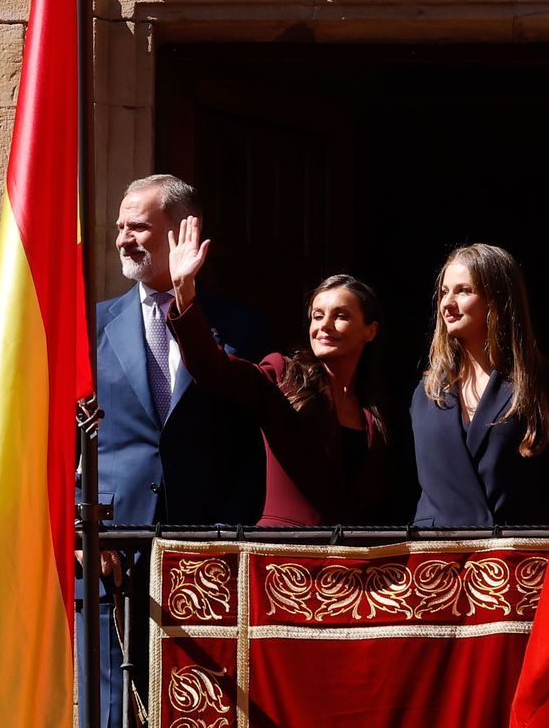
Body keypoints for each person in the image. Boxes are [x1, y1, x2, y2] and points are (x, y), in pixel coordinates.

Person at [86, 173, 266, 728]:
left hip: (207, 550)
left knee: (206, 715)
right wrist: (90, 525)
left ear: (182, 232)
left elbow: (252, 439)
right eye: (120, 227)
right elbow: (63, 433)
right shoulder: (92, 324)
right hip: (115, 552)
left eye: (138, 226)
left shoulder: (239, 327)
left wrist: (235, 530)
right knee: (112, 718)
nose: (123, 239)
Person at [165, 215, 392, 525]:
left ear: (370, 331)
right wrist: (184, 291)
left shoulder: (374, 408)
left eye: (340, 316)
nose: (324, 325)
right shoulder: (284, 375)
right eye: (317, 316)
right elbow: (214, 370)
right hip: (282, 550)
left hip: (347, 554)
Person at [409, 243, 549, 528]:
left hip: (513, 550)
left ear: (498, 299)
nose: (447, 303)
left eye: (463, 291)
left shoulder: (546, 385)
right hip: (438, 551)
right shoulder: (427, 392)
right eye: (444, 292)